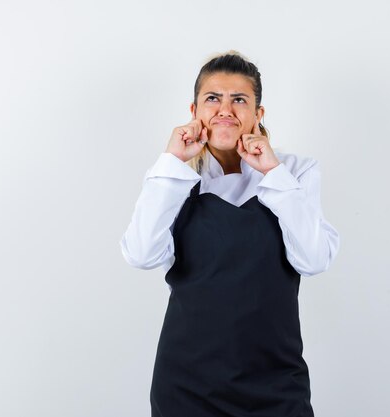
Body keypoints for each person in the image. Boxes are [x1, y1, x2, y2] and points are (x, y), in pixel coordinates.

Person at [119, 51, 340, 417]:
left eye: (239, 99)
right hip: (187, 384)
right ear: (194, 112)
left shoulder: (294, 171)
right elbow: (141, 254)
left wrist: (272, 172)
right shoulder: (172, 176)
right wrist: (172, 164)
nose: (225, 109)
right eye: (212, 99)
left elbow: (314, 259)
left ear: (258, 114)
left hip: (275, 381)